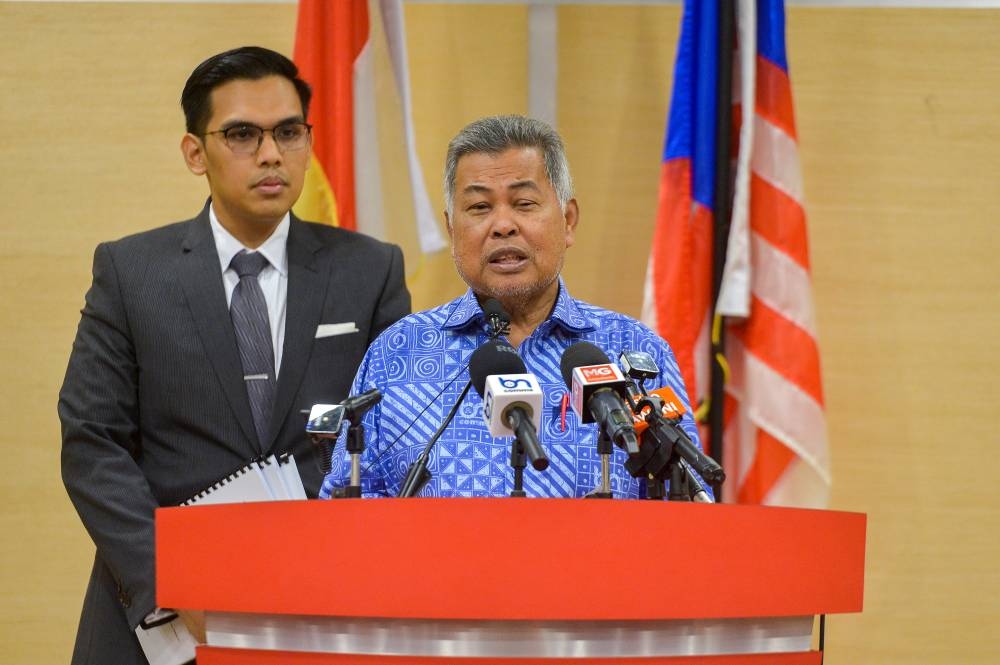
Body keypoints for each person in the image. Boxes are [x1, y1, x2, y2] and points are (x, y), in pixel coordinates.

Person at [58, 46, 410, 664]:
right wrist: (171, 583)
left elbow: (396, 432)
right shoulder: (131, 271)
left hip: (318, 606)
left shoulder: (370, 269)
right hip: (160, 623)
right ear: (196, 152)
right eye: (243, 134)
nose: (271, 153)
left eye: (288, 132)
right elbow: (92, 441)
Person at [319, 114, 702, 499]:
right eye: (479, 207)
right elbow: (346, 512)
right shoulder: (397, 353)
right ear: (452, 229)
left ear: (568, 221)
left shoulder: (634, 352)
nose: (503, 225)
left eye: (524, 203)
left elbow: (688, 508)